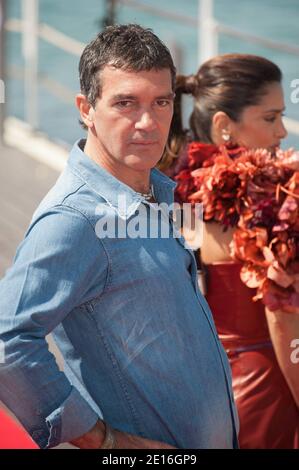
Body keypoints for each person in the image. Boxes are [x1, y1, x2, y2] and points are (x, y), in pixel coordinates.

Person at [0, 25, 239, 449]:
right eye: (125, 103)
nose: (148, 123)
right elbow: (7, 340)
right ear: (85, 108)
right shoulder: (74, 219)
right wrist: (104, 441)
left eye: (161, 102)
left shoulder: (153, 194)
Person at [160, 53, 299, 448]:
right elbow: (284, 324)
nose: (283, 132)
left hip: (207, 393)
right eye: (270, 118)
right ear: (223, 126)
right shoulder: (271, 207)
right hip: (271, 389)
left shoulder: (177, 192)